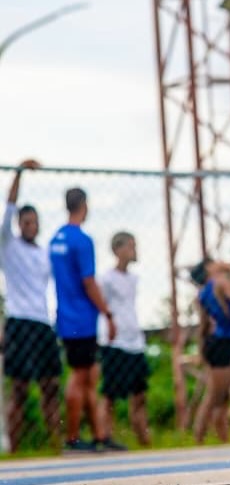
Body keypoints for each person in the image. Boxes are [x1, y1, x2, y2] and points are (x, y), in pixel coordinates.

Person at [49, 187, 121, 452]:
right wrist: (108, 313)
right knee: (80, 376)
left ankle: (99, 434)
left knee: (90, 374)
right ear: (84, 205)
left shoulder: (56, 238)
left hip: (66, 316)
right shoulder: (82, 240)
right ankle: (72, 437)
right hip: (82, 318)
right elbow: (88, 281)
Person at [0, 160, 62, 452]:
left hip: (42, 323)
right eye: (25, 222)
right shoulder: (8, 246)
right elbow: (9, 205)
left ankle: (55, 444)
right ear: (18, 225)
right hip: (20, 321)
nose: (30, 226)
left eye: (33, 222)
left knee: (51, 385)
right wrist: (19, 172)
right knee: (21, 388)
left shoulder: (45, 253)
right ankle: (15, 447)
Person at [98, 232, 151, 447]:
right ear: (118, 250)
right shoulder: (106, 279)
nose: (135, 250)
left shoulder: (134, 279)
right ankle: (105, 437)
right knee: (110, 394)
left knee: (139, 395)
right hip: (115, 342)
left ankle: (144, 439)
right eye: (131, 246)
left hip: (134, 342)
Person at [192, 258, 230, 444]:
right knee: (215, 395)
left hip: (218, 343)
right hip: (220, 343)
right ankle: (198, 437)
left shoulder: (204, 293)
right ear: (209, 269)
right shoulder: (219, 283)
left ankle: (224, 438)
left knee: (224, 397)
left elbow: (203, 324)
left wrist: (201, 349)